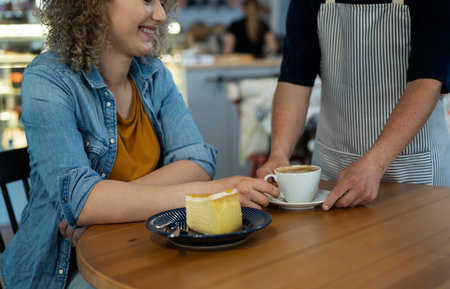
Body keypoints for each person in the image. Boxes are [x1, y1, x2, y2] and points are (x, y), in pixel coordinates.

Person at [0, 0, 279, 288]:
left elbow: (197, 161)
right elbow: (81, 199)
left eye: (162, 3)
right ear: (93, 5)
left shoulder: (154, 73)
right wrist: (216, 192)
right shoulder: (48, 79)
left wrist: (103, 208)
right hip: (62, 270)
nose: (160, 15)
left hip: (139, 250)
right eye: (147, 0)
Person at [257, 0, 450, 210]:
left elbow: (425, 83)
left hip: (413, 169)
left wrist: (375, 163)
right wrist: (279, 154)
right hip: (333, 168)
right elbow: (294, 80)